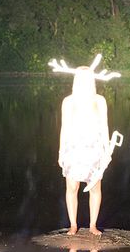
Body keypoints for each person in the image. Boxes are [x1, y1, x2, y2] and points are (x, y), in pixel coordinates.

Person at [50, 54, 121, 235]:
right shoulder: (68, 101)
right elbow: (64, 127)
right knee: (72, 187)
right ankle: (73, 225)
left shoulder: (99, 100)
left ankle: (92, 225)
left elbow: (104, 126)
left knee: (95, 187)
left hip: (94, 148)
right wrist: (60, 152)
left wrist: (107, 150)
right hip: (73, 149)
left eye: (86, 78)